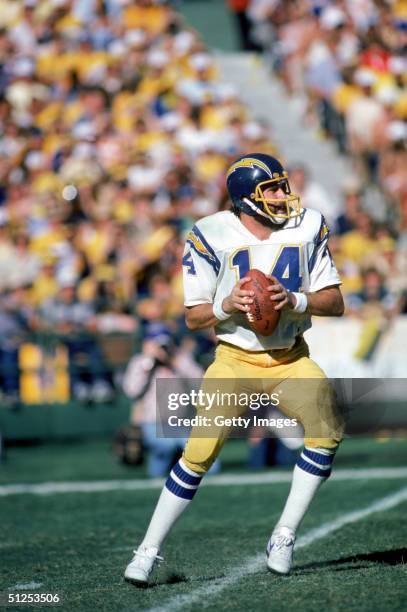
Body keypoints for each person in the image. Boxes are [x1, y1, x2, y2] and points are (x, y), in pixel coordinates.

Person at [124, 153, 345, 584]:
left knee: (328, 426)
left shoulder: (308, 226)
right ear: (247, 199)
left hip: (289, 358)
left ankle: (284, 534)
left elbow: (335, 301)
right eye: (273, 189)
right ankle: (147, 552)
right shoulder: (210, 233)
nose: (284, 195)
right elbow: (193, 316)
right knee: (199, 452)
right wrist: (227, 304)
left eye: (283, 185)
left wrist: (295, 299)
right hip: (235, 360)